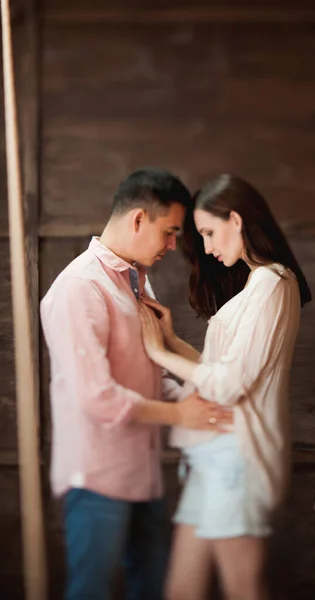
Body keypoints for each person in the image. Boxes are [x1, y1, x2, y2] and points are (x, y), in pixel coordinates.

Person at [40, 168, 232, 600]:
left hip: (143, 475)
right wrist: (182, 413)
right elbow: (97, 397)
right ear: (139, 219)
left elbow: (149, 376)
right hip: (96, 479)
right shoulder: (79, 288)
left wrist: (200, 397)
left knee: (152, 588)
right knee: (91, 592)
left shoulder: (135, 281)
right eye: (169, 233)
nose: (172, 246)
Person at [139, 174, 312, 600]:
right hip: (214, 453)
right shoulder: (258, 283)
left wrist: (159, 354)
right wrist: (173, 339)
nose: (210, 248)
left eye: (210, 234)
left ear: (236, 219)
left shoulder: (273, 283)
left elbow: (230, 384)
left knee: (242, 587)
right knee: (182, 586)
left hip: (237, 456)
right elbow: (223, 371)